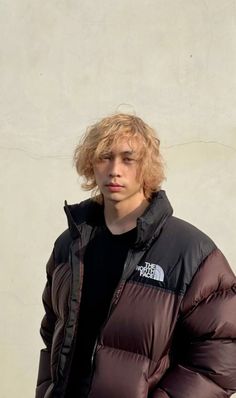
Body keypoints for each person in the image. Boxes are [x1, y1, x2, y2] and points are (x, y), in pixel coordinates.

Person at [36, 113, 236, 398]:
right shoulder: (69, 245)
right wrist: (47, 390)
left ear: (146, 168)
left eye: (128, 159)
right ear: (91, 164)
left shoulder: (191, 253)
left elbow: (222, 354)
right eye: (105, 157)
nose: (115, 170)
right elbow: (51, 330)